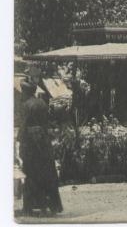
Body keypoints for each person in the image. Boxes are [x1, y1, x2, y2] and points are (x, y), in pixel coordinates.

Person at [18, 81, 63, 216]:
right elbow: (46, 122)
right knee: (47, 173)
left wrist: (20, 141)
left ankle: (29, 207)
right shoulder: (42, 103)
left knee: (30, 173)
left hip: (31, 144)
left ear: (25, 92)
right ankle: (53, 205)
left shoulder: (26, 105)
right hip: (44, 143)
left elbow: (23, 125)